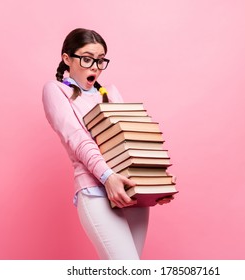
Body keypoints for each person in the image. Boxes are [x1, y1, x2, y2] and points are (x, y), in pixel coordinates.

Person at [42, 28, 173, 260]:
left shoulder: (110, 93)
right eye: (87, 58)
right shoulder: (56, 90)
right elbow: (77, 139)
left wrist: (154, 183)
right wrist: (107, 177)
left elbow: (129, 141)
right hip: (96, 192)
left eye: (100, 60)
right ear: (66, 59)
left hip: (130, 192)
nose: (94, 66)